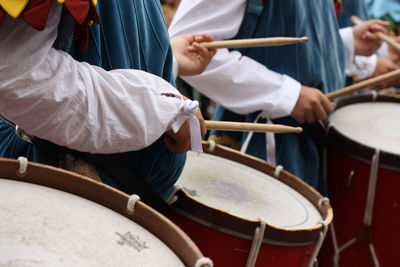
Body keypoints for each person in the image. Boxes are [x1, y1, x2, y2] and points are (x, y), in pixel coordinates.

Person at [0, 0, 215, 200]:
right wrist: (162, 110)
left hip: (125, 197)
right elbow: (18, 74)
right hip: (59, 193)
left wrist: (169, 63)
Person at [169, 0, 388, 193]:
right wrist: (283, 94)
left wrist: (346, 43)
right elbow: (186, 49)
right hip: (259, 140)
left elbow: (299, 44)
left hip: (310, 142)